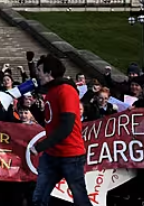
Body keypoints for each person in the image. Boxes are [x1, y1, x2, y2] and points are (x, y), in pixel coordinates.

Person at [29, 55, 90, 206]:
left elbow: (66, 127)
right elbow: (49, 123)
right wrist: (33, 108)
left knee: (80, 199)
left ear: (49, 72)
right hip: (52, 155)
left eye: (39, 70)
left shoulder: (66, 90)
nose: (38, 74)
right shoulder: (52, 92)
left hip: (70, 155)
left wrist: (40, 146)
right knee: (39, 198)